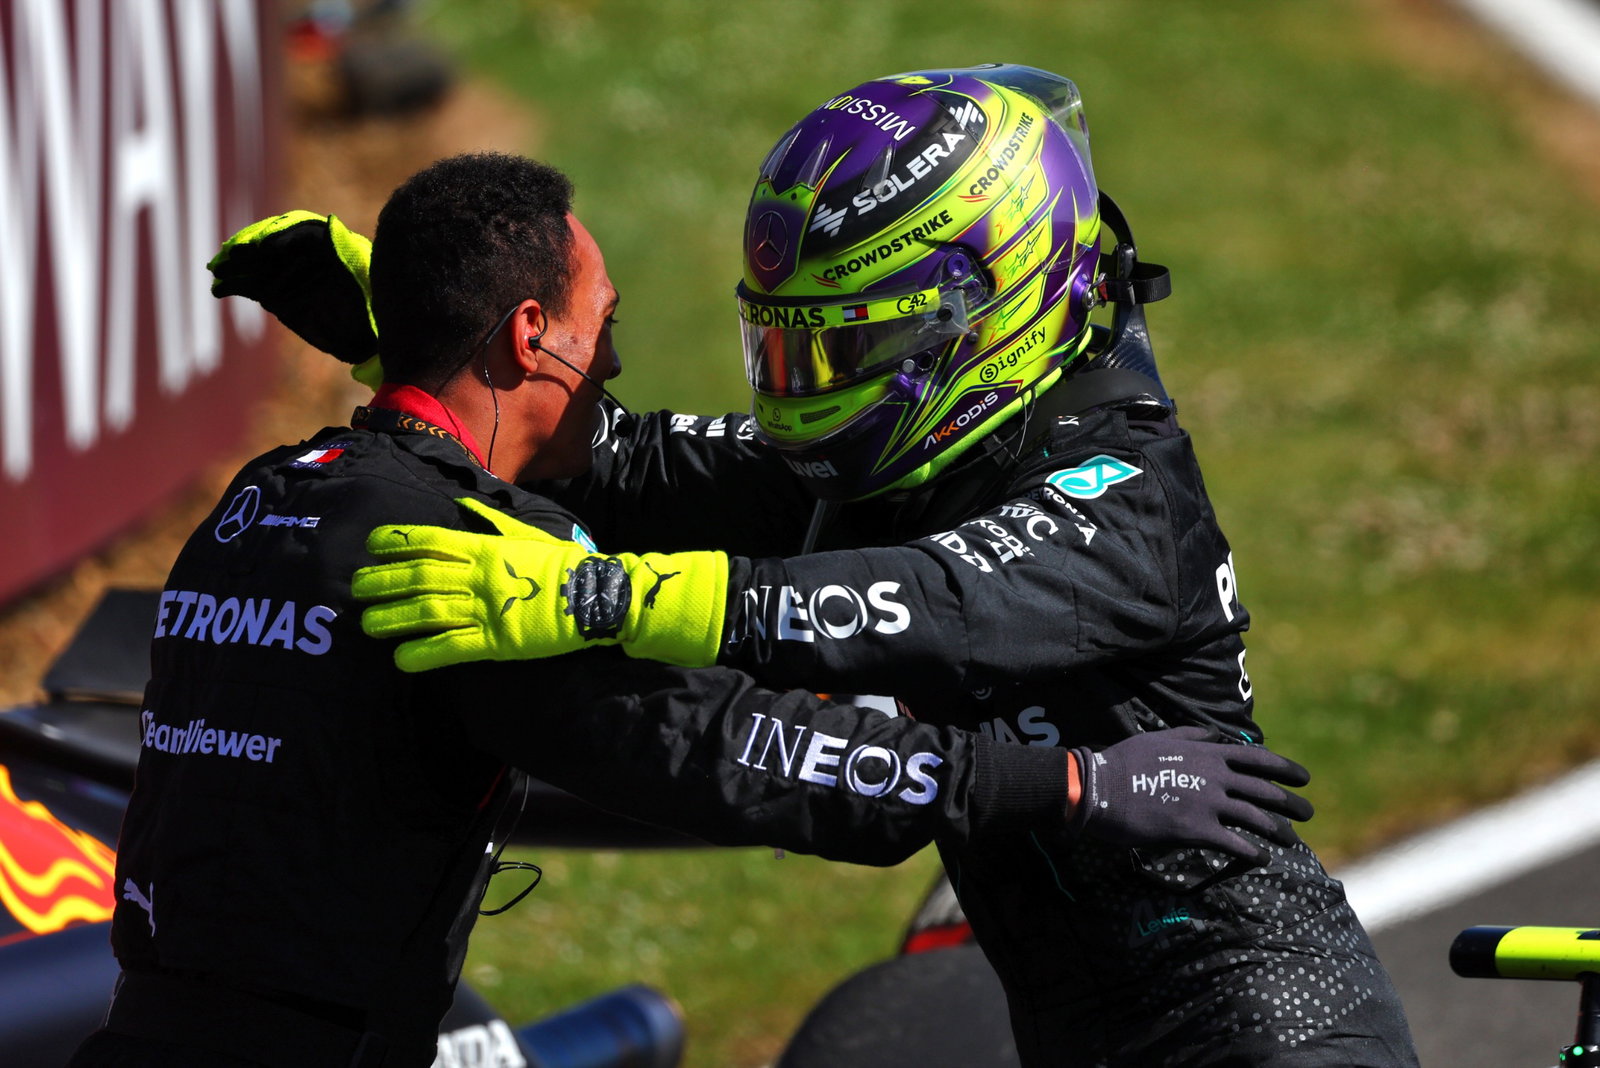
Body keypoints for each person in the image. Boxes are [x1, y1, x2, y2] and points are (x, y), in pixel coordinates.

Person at [69, 151, 1314, 1068]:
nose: (611, 367)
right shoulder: (464, 573)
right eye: (600, 330)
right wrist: (1075, 789)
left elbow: (615, 462)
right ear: (528, 331)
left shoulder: (260, 499)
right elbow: (735, 755)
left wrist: (416, 344)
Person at [352, 67, 1421, 1066]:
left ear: (982, 314)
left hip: (1270, 1031)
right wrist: (432, 332)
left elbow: (924, 603)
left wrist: (606, 599)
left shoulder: (1130, 496)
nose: (813, 386)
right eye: (793, 347)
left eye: (847, 350)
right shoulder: (893, 455)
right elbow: (631, 466)